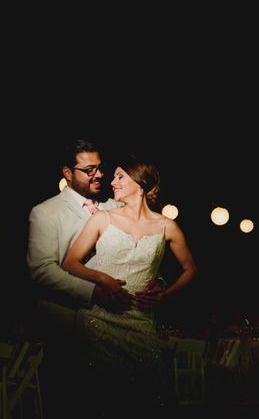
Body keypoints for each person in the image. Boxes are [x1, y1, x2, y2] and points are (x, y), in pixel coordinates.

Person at [62, 154, 197, 414]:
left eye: (120, 176)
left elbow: (191, 270)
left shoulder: (166, 226)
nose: (112, 182)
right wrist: (103, 280)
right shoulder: (102, 218)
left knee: (151, 398)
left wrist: (165, 295)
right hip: (99, 320)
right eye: (114, 177)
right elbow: (70, 262)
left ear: (141, 183)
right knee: (105, 399)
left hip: (141, 322)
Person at [26, 140, 134, 331]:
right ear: (68, 173)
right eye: (89, 170)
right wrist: (94, 292)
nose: (99, 175)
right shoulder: (45, 212)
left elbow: (136, 250)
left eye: (99, 168)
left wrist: (155, 281)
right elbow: (42, 270)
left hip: (119, 320)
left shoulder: (116, 206)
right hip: (67, 321)